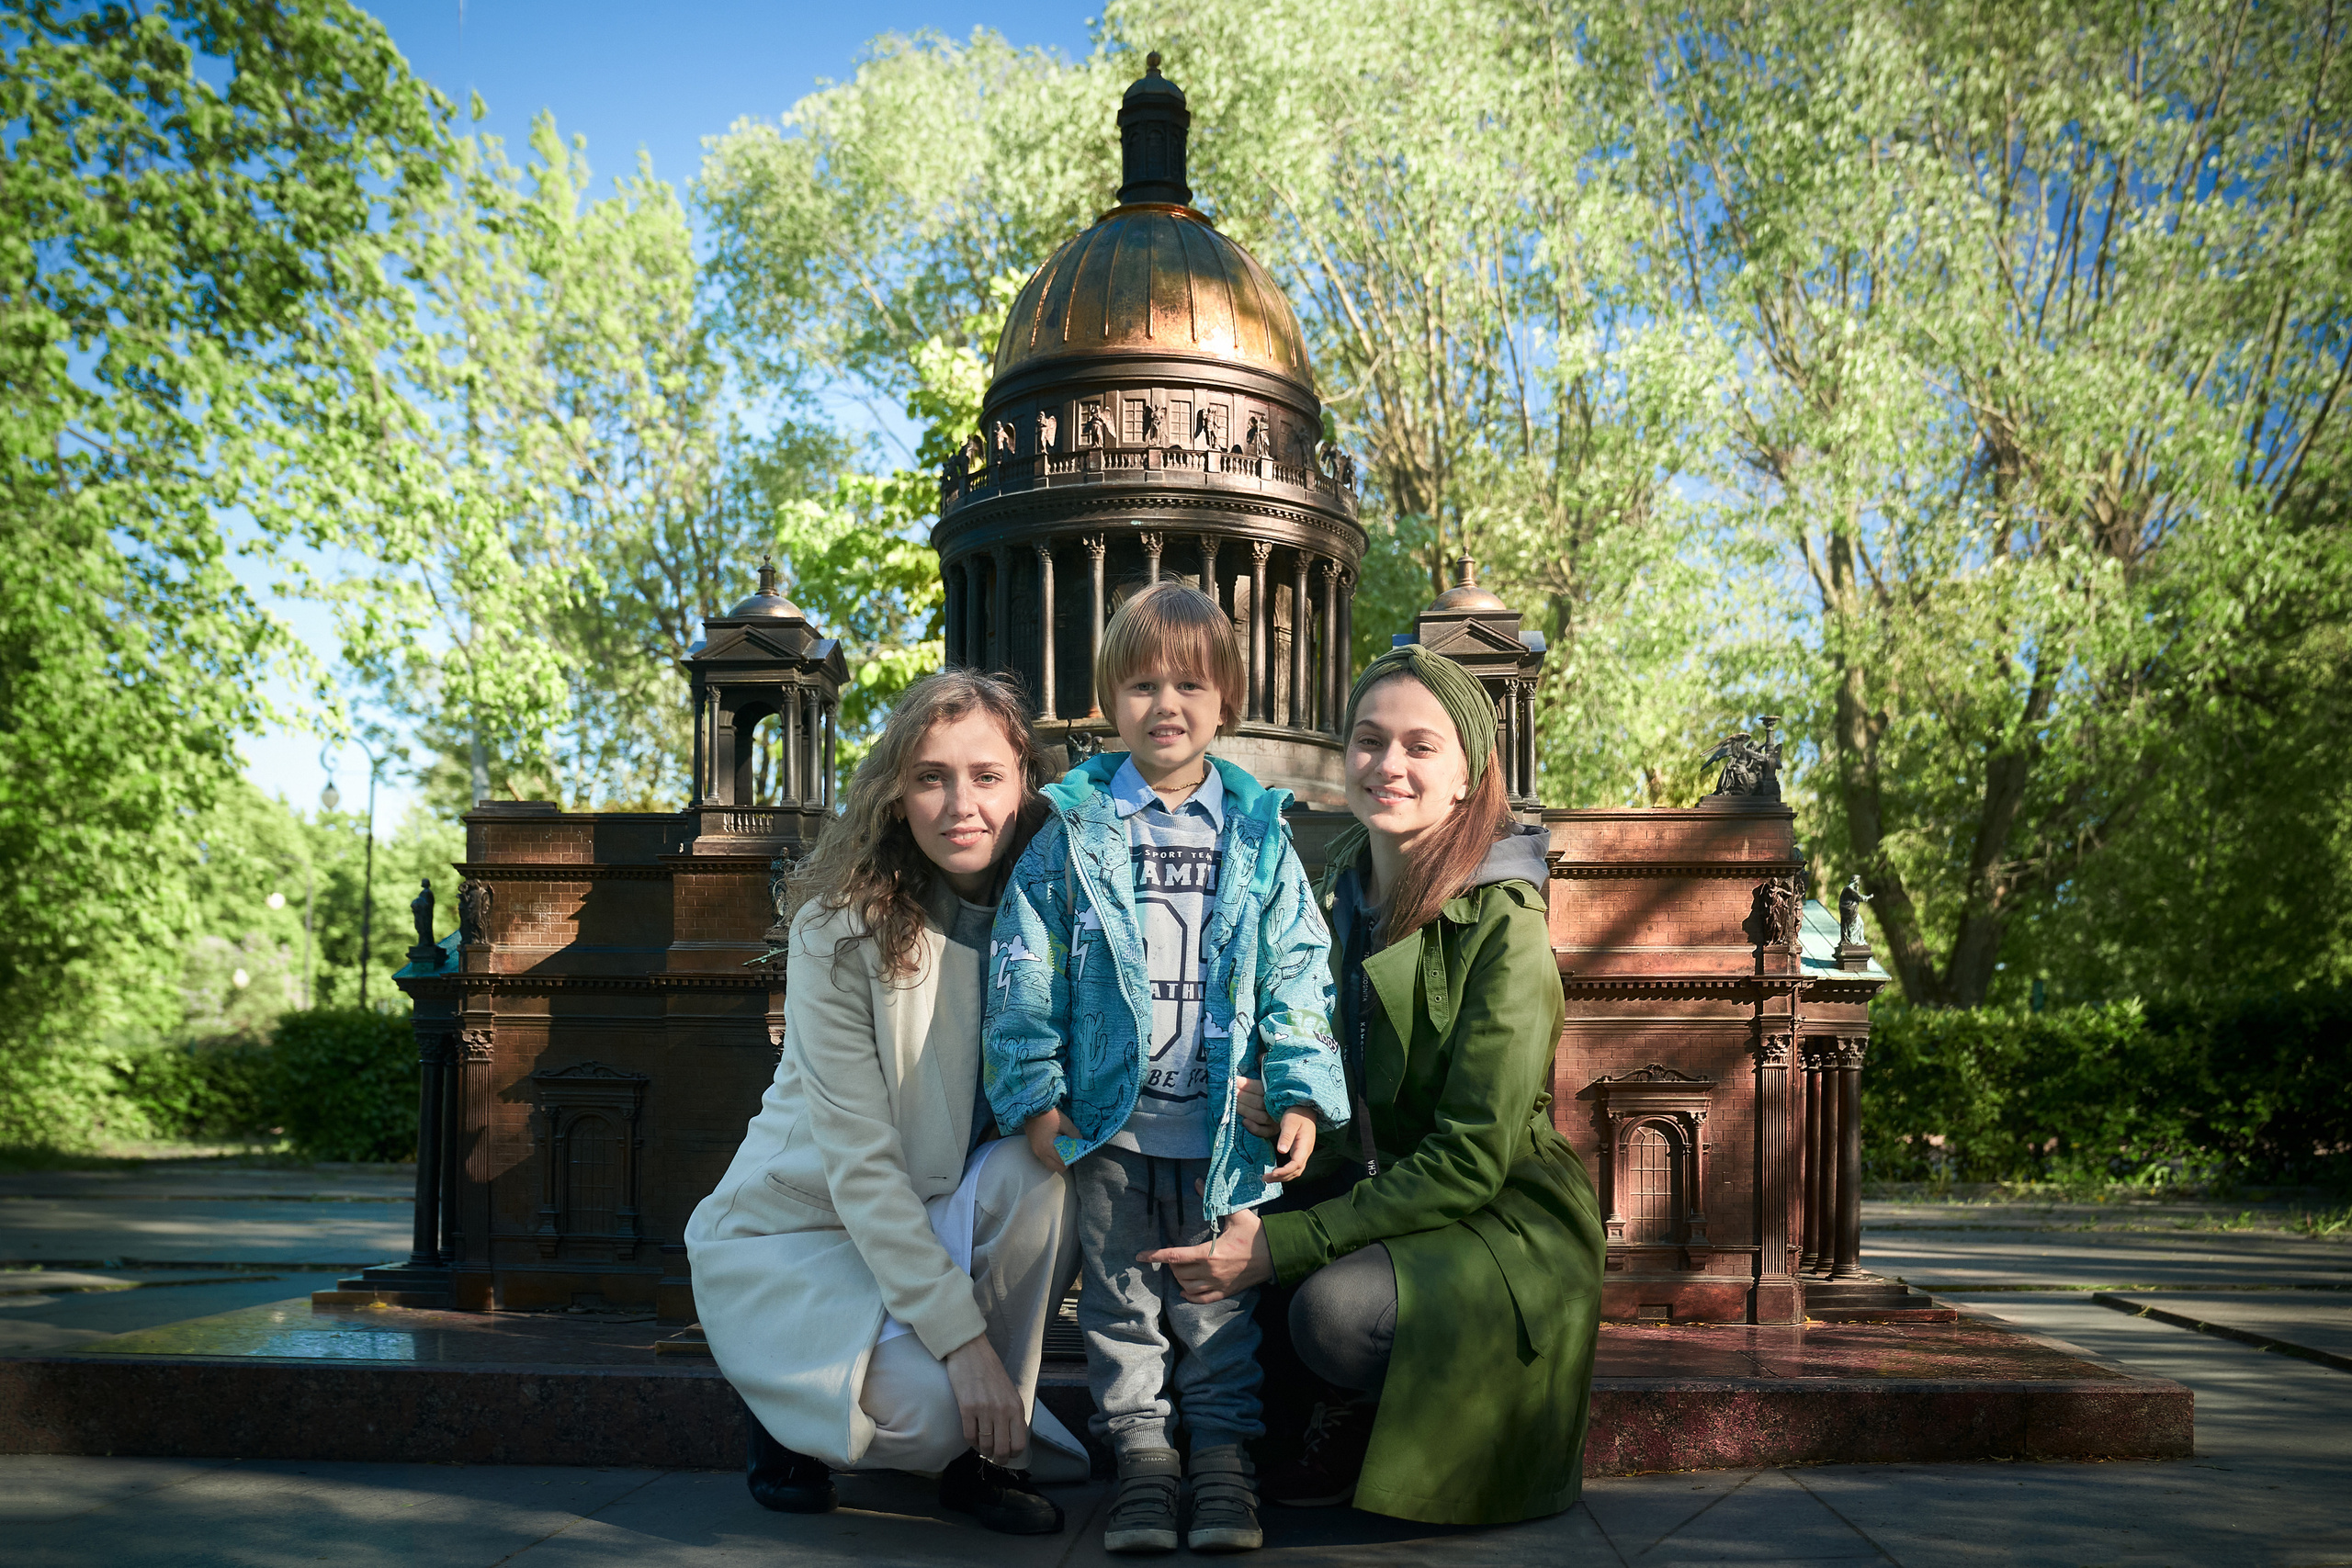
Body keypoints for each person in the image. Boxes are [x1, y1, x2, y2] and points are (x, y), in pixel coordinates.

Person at [1143, 645, 1607, 1527]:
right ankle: (1198, 1448)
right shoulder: (1340, 894)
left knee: (1331, 1312)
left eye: (1420, 746)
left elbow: (1469, 1158)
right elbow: (1334, 1066)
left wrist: (1284, 1245)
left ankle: (1368, 1410)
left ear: (1468, 775)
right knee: (1201, 1221)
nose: (1388, 764)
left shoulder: (1505, 927)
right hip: (1377, 1181)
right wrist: (1289, 1100)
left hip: (1497, 1214)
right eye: (1369, 739)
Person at [985, 581, 1351, 1555]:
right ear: (1111, 698)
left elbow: (1299, 969)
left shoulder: (1259, 834)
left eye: (1190, 684)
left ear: (1226, 700)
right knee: (1120, 1310)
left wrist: (1299, 1089)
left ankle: (1224, 1464)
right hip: (1112, 1131)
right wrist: (1034, 1098)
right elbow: (1025, 967)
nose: (1166, 705)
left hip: (1224, 1132)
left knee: (1218, 1311)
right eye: (1143, 684)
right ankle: (1144, 1464)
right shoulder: (1074, 831)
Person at [685, 670, 1085, 1536]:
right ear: (897, 795)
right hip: (808, 1229)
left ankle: (986, 1453)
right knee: (930, 1420)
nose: (961, 804)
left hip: (939, 1203)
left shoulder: (1061, 917)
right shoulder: (839, 928)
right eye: (931, 777)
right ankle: (786, 1406)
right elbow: (863, 1166)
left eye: (986, 775)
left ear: (1025, 782)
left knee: (1044, 1177)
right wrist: (962, 1345)